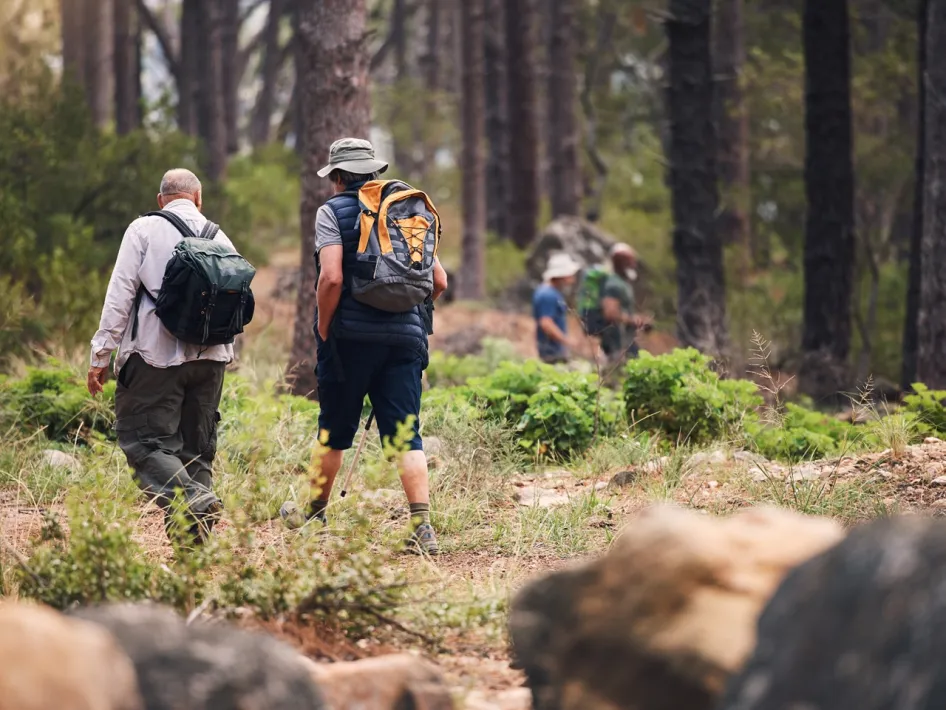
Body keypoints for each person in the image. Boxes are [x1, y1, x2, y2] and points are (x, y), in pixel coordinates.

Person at [281, 138, 448, 555]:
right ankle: (422, 528)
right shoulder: (407, 209)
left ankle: (315, 513)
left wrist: (323, 325)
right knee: (407, 436)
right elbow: (440, 282)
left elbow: (332, 277)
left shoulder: (332, 212)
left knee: (335, 432)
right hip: (406, 340)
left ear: (337, 176)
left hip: (349, 342)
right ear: (374, 171)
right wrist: (406, 314)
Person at [88, 168, 232, 546]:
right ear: (198, 198)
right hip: (213, 358)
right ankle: (193, 551)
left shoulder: (143, 230)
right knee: (196, 451)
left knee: (146, 442)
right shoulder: (221, 236)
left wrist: (101, 355)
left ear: (161, 200)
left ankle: (195, 500)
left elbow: (119, 296)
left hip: (153, 357)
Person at [598, 243, 651, 362]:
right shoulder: (613, 284)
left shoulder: (622, 283)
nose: (633, 264)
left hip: (626, 339)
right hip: (616, 341)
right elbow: (610, 313)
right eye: (629, 260)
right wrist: (635, 320)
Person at [532, 253, 582, 364]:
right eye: (570, 275)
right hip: (551, 352)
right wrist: (566, 341)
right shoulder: (547, 295)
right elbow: (546, 323)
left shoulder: (551, 292)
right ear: (561, 276)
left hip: (554, 350)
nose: (572, 280)